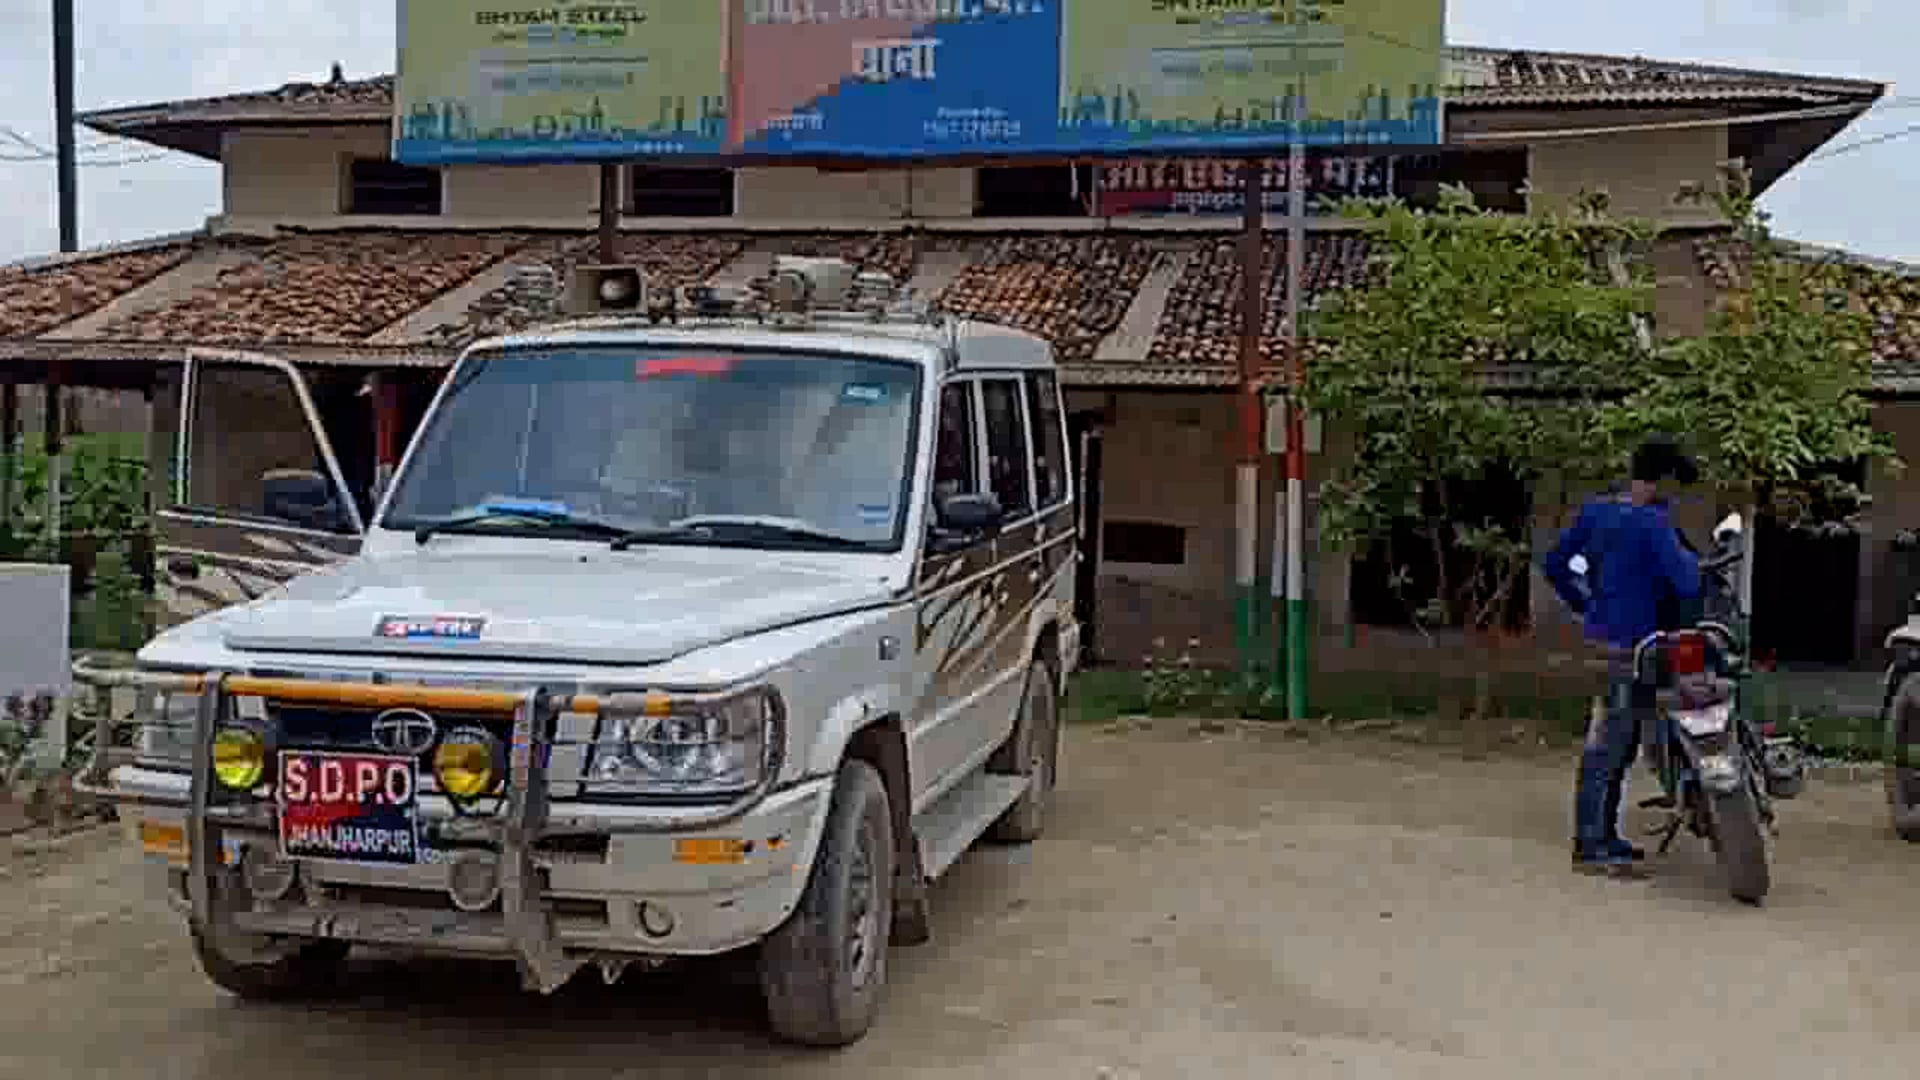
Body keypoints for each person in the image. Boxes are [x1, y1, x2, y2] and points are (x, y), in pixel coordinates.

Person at [1541, 435, 1702, 879]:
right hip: (1635, 648)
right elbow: (1687, 582)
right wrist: (1689, 560)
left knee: (1617, 742)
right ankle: (1590, 846)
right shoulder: (1652, 523)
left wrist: (1585, 604)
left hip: (1601, 642)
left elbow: (1555, 564)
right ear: (1663, 480)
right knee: (1608, 745)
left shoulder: (1597, 512)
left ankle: (1605, 835)